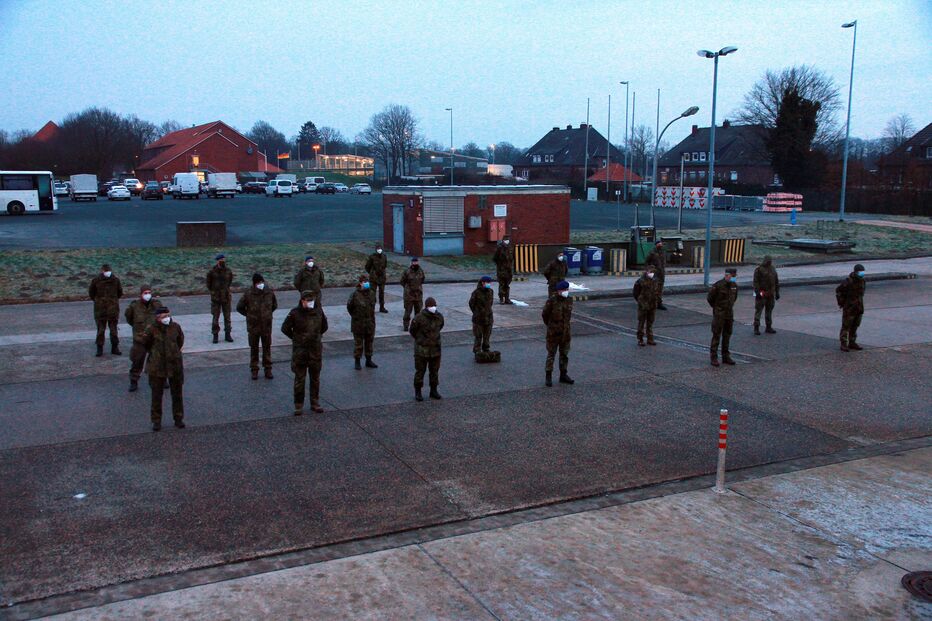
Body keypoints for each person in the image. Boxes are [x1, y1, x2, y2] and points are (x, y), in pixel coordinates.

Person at [281, 290, 328, 415]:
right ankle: (298, 404)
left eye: (312, 300)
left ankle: (315, 402)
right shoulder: (295, 313)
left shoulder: (318, 311)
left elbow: (324, 326)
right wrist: (296, 339)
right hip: (301, 351)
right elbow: (285, 328)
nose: (311, 303)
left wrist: (316, 337)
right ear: (302, 301)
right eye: (308, 301)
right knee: (299, 379)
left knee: (315, 379)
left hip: (315, 351)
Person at [142, 307, 185, 431]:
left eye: (168, 315)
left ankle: (178, 418)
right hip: (157, 366)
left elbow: (180, 341)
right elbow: (146, 344)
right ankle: (156, 421)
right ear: (157, 318)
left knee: (177, 394)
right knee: (156, 395)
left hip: (174, 364)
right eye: (163, 316)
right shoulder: (151, 329)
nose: (167, 318)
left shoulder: (175, 327)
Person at [236, 272, 278, 380]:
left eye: (262, 282)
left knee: (267, 348)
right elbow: (239, 307)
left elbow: (274, 305)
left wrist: (267, 315)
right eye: (259, 282)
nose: (261, 284)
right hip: (254, 327)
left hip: (266, 326)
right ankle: (254, 370)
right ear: (254, 283)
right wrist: (249, 315)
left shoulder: (269, 292)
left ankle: (268, 369)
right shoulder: (248, 294)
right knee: (254, 349)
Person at [124, 284, 162, 392]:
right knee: (137, 361)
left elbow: (163, 317)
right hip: (140, 339)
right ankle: (133, 381)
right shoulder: (134, 306)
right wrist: (138, 330)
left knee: (158, 360)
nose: (148, 295)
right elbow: (129, 318)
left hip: (154, 337)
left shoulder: (157, 305)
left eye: (149, 293)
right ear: (141, 294)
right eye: (145, 293)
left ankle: (162, 380)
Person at [409, 296, 444, 401]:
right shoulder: (419, 318)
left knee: (434, 371)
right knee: (420, 371)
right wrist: (421, 340)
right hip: (422, 350)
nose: (433, 307)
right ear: (426, 307)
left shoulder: (439, 317)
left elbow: (440, 326)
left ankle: (433, 390)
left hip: (435, 349)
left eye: (434, 305)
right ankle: (418, 392)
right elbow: (412, 331)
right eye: (431, 306)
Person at [542, 280, 574, 387]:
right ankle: (548, 376)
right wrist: (551, 326)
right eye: (564, 290)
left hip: (565, 332)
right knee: (551, 354)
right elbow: (545, 315)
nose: (566, 291)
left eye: (567, 289)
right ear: (559, 290)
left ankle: (563, 375)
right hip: (553, 333)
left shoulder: (569, 300)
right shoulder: (552, 300)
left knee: (564, 354)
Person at [88, 263, 123, 357]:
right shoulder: (96, 281)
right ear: (102, 271)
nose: (107, 272)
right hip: (100, 310)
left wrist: (113, 301)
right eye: (106, 271)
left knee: (114, 330)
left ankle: (115, 347)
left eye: (108, 271)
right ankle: (99, 348)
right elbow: (91, 293)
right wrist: (99, 301)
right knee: (100, 330)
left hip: (113, 310)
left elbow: (120, 293)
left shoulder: (116, 280)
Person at [707, 267, 738, 367]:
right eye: (732, 276)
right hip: (719, 315)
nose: (733, 278)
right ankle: (714, 357)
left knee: (727, 335)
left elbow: (734, 298)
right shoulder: (718, 285)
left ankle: (726, 356)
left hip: (729, 314)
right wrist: (717, 309)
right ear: (726, 275)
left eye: (735, 276)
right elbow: (710, 298)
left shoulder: (734, 286)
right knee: (716, 335)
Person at [346, 274, 378, 370]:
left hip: (370, 322)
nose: (367, 283)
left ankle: (368, 360)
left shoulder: (372, 293)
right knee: (358, 344)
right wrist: (356, 316)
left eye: (367, 281)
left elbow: (373, 305)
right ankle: (357, 361)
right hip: (358, 323)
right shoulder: (355, 295)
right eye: (365, 282)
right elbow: (349, 307)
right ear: (360, 283)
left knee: (369, 342)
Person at [836, 263, 866, 352]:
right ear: (856, 272)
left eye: (863, 272)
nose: (862, 273)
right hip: (849, 307)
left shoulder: (862, 281)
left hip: (859, 307)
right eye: (860, 272)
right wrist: (842, 303)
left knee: (855, 325)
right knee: (846, 326)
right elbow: (839, 291)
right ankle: (844, 344)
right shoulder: (848, 281)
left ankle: (852, 342)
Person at [206, 253, 234, 343]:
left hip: (226, 297)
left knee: (227, 317)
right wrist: (214, 292)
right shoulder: (212, 272)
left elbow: (229, 282)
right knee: (215, 317)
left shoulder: (228, 271)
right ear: (217, 261)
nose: (222, 261)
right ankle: (215, 335)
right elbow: (208, 284)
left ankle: (228, 334)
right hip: (216, 298)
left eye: (223, 259)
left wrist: (226, 291)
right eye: (220, 259)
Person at [753, 255, 780, 335]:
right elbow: (755, 282)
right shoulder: (758, 270)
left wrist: (777, 292)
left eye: (770, 261)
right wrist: (757, 292)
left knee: (769, 310)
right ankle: (756, 327)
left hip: (770, 294)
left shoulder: (773, 269)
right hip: (762, 292)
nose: (769, 262)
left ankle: (768, 327)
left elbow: (776, 281)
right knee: (759, 311)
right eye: (768, 260)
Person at [632, 267, 659, 346]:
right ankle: (640, 339)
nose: (651, 274)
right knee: (641, 322)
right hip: (643, 304)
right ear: (646, 272)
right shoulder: (640, 281)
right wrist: (640, 301)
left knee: (650, 322)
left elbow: (657, 292)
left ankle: (650, 339)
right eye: (650, 272)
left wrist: (656, 301)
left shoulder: (655, 280)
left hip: (652, 304)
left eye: (652, 272)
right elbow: (635, 293)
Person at [469, 276, 495, 354]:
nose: (489, 284)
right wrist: (477, 312)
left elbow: (490, 303)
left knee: (487, 335)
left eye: (489, 283)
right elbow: (471, 304)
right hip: (478, 318)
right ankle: (477, 350)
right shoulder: (476, 292)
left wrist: (488, 311)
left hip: (489, 317)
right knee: (478, 335)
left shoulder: (491, 291)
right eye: (487, 282)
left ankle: (486, 348)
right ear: (482, 282)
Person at [400, 256, 425, 332]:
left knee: (418, 313)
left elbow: (422, 280)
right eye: (414, 262)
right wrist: (408, 288)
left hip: (418, 295)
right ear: (411, 263)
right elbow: (402, 281)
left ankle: (417, 326)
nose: (415, 263)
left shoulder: (421, 271)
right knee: (407, 312)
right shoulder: (407, 271)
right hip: (409, 296)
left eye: (416, 262)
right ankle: (406, 326)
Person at [365, 244, 389, 313]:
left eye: (380, 248)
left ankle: (382, 307)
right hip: (374, 278)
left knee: (381, 293)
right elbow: (367, 266)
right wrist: (372, 273)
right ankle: (372, 308)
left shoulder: (384, 256)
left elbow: (385, 265)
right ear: (376, 249)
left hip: (382, 278)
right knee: (372, 293)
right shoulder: (372, 257)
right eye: (378, 248)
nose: (379, 250)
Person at [645, 240, 668, 310]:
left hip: (661, 273)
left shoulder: (663, 252)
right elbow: (647, 262)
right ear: (656, 245)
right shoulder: (652, 252)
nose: (660, 245)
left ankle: (659, 303)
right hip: (654, 273)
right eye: (659, 244)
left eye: (661, 244)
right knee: (652, 288)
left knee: (660, 289)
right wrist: (649, 271)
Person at [492, 236, 514, 304]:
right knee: (501, 284)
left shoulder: (510, 248)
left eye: (508, 239)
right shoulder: (499, 248)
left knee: (507, 285)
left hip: (509, 270)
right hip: (501, 270)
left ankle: (507, 298)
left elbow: (512, 258)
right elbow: (495, 258)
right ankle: (502, 299)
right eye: (506, 240)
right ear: (503, 240)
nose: (507, 241)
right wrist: (500, 265)